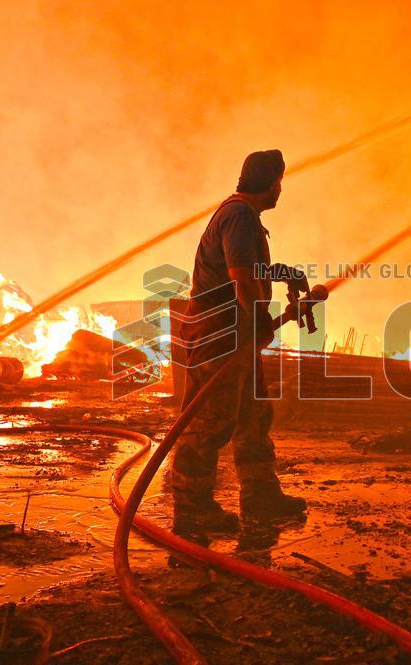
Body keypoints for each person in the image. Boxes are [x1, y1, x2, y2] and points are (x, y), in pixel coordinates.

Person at [172, 149, 307, 534]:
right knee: (210, 421)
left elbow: (249, 268)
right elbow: (241, 276)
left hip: (234, 333)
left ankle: (261, 497)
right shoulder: (240, 216)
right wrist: (259, 318)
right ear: (270, 182)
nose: (281, 189)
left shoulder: (242, 215)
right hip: (220, 333)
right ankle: (192, 508)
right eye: (280, 181)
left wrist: (284, 272)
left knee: (252, 416)